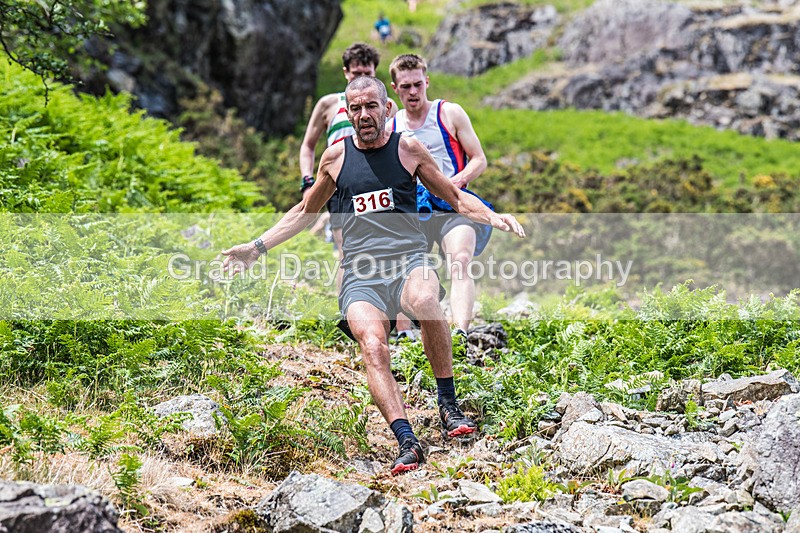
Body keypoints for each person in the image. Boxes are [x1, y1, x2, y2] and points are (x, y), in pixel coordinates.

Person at [221, 76, 525, 475]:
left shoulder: (408, 149)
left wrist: (493, 216)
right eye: (356, 108)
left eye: (371, 106)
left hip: (408, 261)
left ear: (387, 109)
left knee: (426, 301)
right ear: (347, 113)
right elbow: (304, 212)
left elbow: (454, 197)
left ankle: (448, 405)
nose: (364, 115)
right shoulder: (335, 158)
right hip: (360, 274)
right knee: (373, 344)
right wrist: (255, 247)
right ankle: (406, 440)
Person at [388, 53, 489, 341]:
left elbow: (479, 159)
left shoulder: (449, 113)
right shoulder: (392, 126)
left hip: (451, 203)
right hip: (413, 207)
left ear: (427, 81)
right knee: (405, 266)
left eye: (418, 85)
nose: (413, 92)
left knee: (459, 260)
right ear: (395, 88)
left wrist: (459, 179)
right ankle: (405, 336)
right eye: (405, 87)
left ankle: (460, 335)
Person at [299, 42, 396, 290]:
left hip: (377, 180)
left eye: (367, 73)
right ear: (345, 72)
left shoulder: (387, 106)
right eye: (356, 73)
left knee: (384, 246)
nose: (361, 79)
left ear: (375, 72)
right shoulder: (329, 104)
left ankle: (389, 309)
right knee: (345, 250)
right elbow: (308, 145)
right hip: (339, 184)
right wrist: (308, 182)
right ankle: (348, 312)